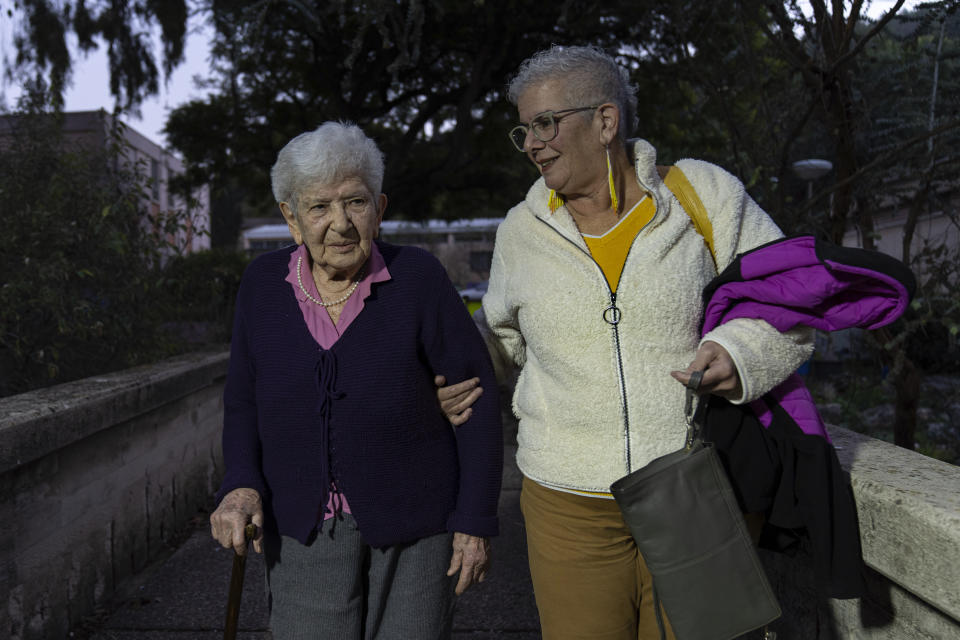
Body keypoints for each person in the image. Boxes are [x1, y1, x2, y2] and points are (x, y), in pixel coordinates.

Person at [437, 45, 814, 639]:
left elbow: (788, 302)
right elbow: (500, 339)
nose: (532, 143)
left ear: (605, 121)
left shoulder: (704, 197)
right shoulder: (519, 231)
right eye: (524, 129)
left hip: (692, 491)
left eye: (546, 124)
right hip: (566, 506)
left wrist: (739, 354)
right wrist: (454, 377)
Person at [210, 122, 503, 640]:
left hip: (417, 522)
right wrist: (240, 484)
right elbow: (243, 400)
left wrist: (475, 520)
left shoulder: (418, 278)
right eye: (319, 207)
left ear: (380, 208)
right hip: (301, 521)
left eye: (356, 203)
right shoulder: (261, 285)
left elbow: (475, 401)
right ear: (292, 218)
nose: (340, 224)